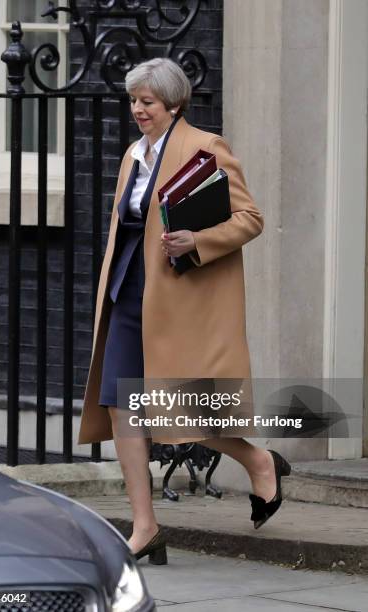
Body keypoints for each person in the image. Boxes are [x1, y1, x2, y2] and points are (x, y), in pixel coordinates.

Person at [78, 57, 291, 564]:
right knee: (120, 403)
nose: (138, 110)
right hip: (128, 294)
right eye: (134, 101)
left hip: (178, 300)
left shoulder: (205, 147)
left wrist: (198, 238)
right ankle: (146, 526)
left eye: (147, 102)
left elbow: (250, 218)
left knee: (183, 407)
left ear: (174, 102)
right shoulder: (134, 154)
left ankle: (260, 461)